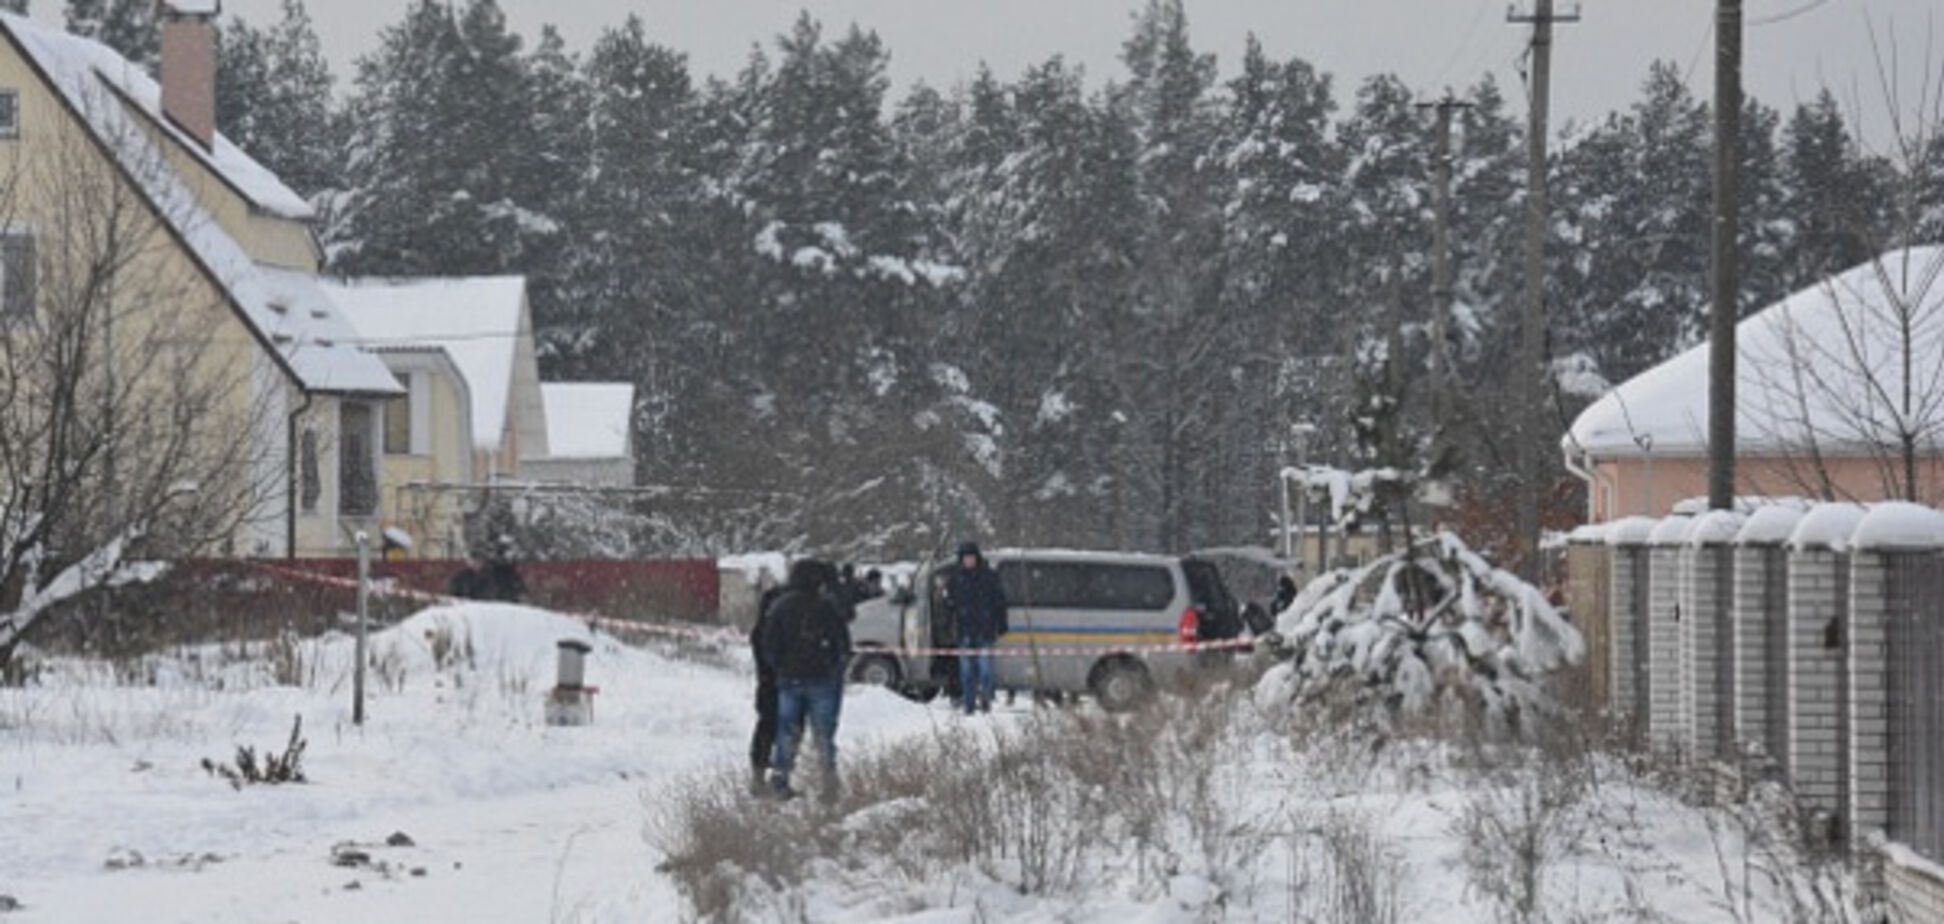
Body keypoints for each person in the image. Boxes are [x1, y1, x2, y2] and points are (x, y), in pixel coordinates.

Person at [758, 559, 851, 801]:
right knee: (824, 735)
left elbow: (769, 646)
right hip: (823, 679)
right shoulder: (827, 607)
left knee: (786, 733)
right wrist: (834, 667)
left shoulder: (780, 607)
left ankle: (780, 780)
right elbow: (843, 643)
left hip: (790, 679)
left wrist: (781, 667)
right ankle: (828, 784)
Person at [946, 541, 1007, 715]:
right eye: (966, 558)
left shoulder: (989, 577)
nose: (969, 560)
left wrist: (1002, 624)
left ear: (977, 558)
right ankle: (969, 705)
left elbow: (1000, 602)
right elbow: (949, 605)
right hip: (964, 631)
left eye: (971, 557)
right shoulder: (955, 579)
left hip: (985, 630)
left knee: (986, 671)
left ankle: (986, 700)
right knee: (966, 673)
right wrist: (949, 624)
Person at [746, 573, 788, 794]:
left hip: (768, 687)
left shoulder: (761, 631)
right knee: (775, 730)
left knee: (768, 729)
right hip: (777, 686)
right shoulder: (771, 633)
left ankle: (762, 776)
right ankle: (767, 779)